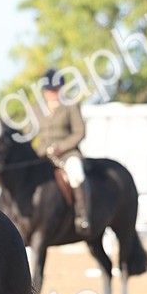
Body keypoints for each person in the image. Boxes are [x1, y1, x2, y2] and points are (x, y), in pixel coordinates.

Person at [37, 68, 91, 232]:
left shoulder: (70, 106)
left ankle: (82, 216)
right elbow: (28, 133)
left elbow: (79, 132)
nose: (52, 93)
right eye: (49, 90)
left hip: (67, 154)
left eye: (55, 90)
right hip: (42, 154)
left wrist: (61, 147)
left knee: (76, 173)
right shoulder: (35, 108)